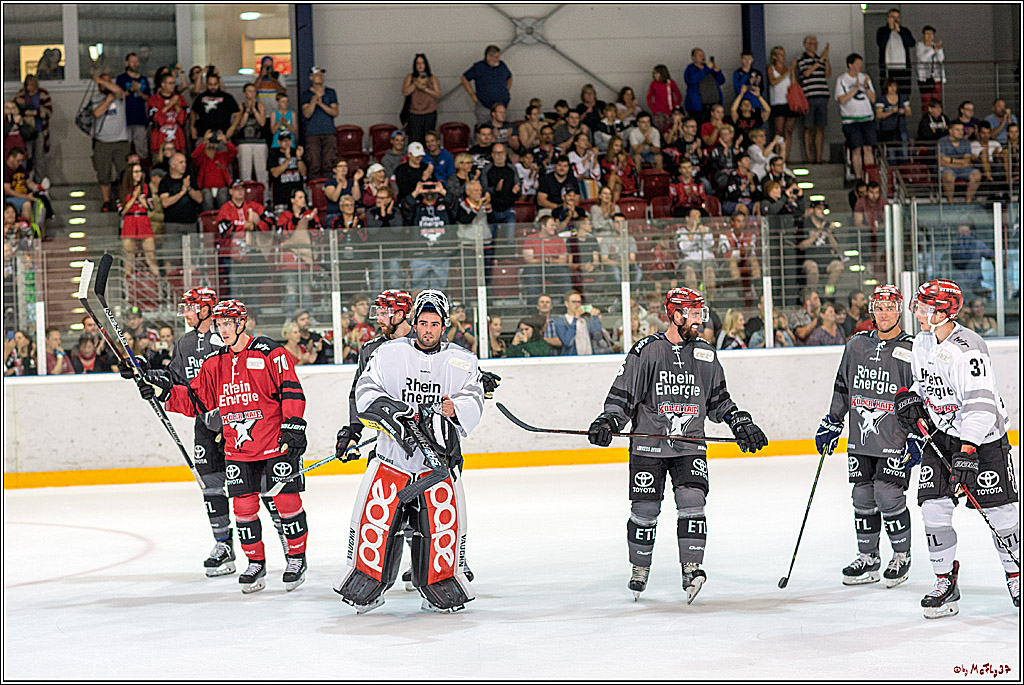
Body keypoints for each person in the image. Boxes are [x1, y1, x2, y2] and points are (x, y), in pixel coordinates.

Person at [588, 287, 768, 602]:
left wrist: (739, 421)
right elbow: (624, 395)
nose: (700, 319)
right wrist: (609, 421)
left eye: (701, 313)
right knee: (644, 509)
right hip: (649, 445)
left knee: (692, 501)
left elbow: (719, 401)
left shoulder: (706, 353)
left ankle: (692, 568)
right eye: (694, 313)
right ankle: (640, 568)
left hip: (689, 445)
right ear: (675, 314)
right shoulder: (647, 350)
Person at [138, 299, 310, 594]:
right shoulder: (215, 362)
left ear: (242, 323)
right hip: (238, 450)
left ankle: (296, 559)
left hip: (274, 445)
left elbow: (291, 389)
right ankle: (255, 562)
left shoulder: (270, 351)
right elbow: (195, 400)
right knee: (243, 509)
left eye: (229, 323)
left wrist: (293, 425)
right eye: (219, 324)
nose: (224, 328)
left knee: (287, 504)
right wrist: (163, 391)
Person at [339, 289, 483, 614]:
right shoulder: (389, 353)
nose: (428, 329)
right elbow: (365, 388)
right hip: (392, 462)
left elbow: (473, 397)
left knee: (439, 527)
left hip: (437, 466)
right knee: (376, 525)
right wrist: (390, 409)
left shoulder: (461, 360)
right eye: (423, 322)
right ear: (414, 323)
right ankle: (367, 581)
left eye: (434, 323)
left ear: (444, 325)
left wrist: (455, 407)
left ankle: (439, 582)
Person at [895, 279, 1019, 616]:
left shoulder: (969, 347)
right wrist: (912, 400)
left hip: (983, 440)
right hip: (941, 437)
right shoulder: (921, 343)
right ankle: (945, 581)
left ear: (943, 311)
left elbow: (981, 405)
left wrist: (967, 451)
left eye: (924, 307)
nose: (917, 313)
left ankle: (1016, 574)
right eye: (917, 306)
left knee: (1001, 512)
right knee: (933, 507)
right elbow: (924, 387)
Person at [816, 285, 916, 586]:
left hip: (895, 438)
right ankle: (869, 558)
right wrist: (833, 420)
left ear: (899, 310)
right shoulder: (856, 345)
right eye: (879, 307)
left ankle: (901, 556)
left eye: (890, 307)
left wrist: (917, 435)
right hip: (862, 438)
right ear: (872, 309)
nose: (884, 313)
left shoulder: (913, 349)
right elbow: (843, 386)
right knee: (862, 495)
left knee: (887, 495)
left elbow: (919, 396)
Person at [90, 71, 131, 212]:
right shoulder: (95, 98)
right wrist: (107, 101)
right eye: (103, 82)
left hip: (121, 140)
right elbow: (96, 113)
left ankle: (124, 198)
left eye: (109, 81)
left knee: (124, 172)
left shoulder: (119, 96)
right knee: (103, 173)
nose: (106, 85)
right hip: (103, 141)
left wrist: (101, 81)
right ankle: (106, 201)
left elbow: (119, 90)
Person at [836, 53, 876, 182]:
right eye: (857, 64)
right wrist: (855, 89)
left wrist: (867, 87)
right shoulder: (842, 79)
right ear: (850, 65)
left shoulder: (865, 78)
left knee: (868, 148)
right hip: (851, 120)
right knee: (856, 148)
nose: (860, 66)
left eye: (860, 64)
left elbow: (873, 99)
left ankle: (870, 177)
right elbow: (841, 99)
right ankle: (858, 178)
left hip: (867, 118)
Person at [117, 162, 159, 279]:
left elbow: (150, 207)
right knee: (129, 257)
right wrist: (134, 197)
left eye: (140, 171)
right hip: (129, 221)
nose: (139, 174)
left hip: (143, 220)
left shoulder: (146, 187)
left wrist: (140, 198)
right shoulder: (123, 189)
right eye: (136, 172)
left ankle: (159, 286)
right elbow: (122, 211)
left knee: (150, 255)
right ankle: (127, 288)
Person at [797, 36, 831, 164]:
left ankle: (818, 157)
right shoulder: (802, 59)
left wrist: (825, 60)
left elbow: (827, 74)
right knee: (807, 127)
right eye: (811, 43)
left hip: (822, 95)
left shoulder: (820, 59)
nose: (814, 45)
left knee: (820, 127)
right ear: (805, 45)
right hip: (808, 97)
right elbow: (806, 73)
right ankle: (808, 157)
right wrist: (820, 59)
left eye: (816, 43)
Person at [300, 66, 338, 178]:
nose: (320, 77)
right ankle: (314, 189)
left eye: (321, 75)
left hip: (328, 131)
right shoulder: (306, 95)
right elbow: (307, 113)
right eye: (317, 75)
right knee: (314, 164)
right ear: (311, 77)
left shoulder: (330, 92)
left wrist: (321, 104)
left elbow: (335, 112)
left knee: (329, 163)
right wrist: (314, 100)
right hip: (312, 133)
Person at [461, 45, 512, 126]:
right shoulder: (478, 67)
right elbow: (464, 78)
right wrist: (472, 95)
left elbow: (509, 77)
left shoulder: (502, 65)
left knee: (505, 129)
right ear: (488, 56)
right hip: (485, 106)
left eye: (498, 57)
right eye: (495, 57)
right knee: (485, 129)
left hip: (503, 106)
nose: (497, 60)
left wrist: (507, 90)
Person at [13, 74, 52, 179]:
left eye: (31, 85)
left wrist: (35, 112)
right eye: (27, 85)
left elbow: (49, 112)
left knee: (39, 157)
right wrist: (18, 103)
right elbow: (13, 111)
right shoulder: (22, 94)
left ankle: (39, 181)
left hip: (39, 129)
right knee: (27, 156)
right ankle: (27, 180)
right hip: (26, 131)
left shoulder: (43, 94)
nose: (29, 87)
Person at [232, 83, 269, 192]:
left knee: (261, 172)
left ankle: (264, 198)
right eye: (249, 91)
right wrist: (247, 111)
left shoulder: (260, 105)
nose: (252, 94)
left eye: (254, 91)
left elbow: (262, 123)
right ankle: (246, 197)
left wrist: (254, 110)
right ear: (244, 93)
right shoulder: (240, 106)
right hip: (244, 142)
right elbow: (240, 125)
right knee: (245, 172)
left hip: (259, 142)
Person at [766, 46, 798, 164]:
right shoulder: (771, 68)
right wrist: (785, 74)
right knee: (778, 131)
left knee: (788, 131)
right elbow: (773, 82)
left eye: (784, 54)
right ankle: (778, 156)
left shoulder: (788, 69)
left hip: (789, 102)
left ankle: (787, 157)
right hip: (777, 102)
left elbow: (793, 84)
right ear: (774, 56)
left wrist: (792, 71)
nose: (783, 57)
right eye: (780, 55)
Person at [116, 53, 152, 160]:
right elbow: (119, 96)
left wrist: (139, 92)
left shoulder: (143, 79)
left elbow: (148, 98)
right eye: (132, 61)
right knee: (126, 148)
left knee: (142, 148)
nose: (135, 64)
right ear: (127, 63)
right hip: (125, 119)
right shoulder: (121, 78)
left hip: (140, 119)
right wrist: (131, 89)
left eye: (136, 61)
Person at [192, 129, 237, 212]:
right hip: (206, 188)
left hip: (222, 188)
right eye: (210, 142)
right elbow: (194, 156)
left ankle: (224, 218)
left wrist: (225, 142)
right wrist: (204, 142)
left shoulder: (222, 156)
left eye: (214, 142)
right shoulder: (202, 158)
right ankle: (209, 221)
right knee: (207, 197)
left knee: (223, 195)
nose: (212, 144)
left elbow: (234, 152)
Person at [875, 8, 915, 99]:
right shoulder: (882, 30)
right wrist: (889, 28)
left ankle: (902, 111)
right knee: (888, 92)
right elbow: (881, 43)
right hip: (888, 68)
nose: (895, 20)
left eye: (897, 18)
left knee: (903, 93)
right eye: (893, 17)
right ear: (888, 18)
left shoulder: (904, 30)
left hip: (903, 68)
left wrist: (900, 31)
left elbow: (911, 43)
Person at [938, 122, 981, 204]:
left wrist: (950, 160)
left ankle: (968, 202)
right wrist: (961, 163)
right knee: (948, 176)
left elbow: (967, 160)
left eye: (962, 130)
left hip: (962, 169)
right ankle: (951, 203)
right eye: (957, 130)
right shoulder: (942, 141)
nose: (961, 132)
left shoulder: (966, 141)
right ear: (950, 131)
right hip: (948, 169)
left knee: (977, 175)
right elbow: (942, 161)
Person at [551, 289, 605, 356]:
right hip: (572, 359)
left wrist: (595, 318)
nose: (577, 305)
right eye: (574, 302)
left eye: (579, 302)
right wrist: (575, 319)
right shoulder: (561, 320)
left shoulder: (585, 320)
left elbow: (597, 337)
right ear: (566, 304)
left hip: (588, 357)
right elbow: (567, 342)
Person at [402, 54, 441, 144]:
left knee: (428, 139)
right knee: (415, 140)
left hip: (429, 113)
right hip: (414, 113)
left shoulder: (432, 78)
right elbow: (405, 92)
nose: (420, 65)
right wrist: (416, 83)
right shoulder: (410, 77)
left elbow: (438, 94)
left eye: (422, 63)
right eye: (418, 63)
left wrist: (425, 89)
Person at [189, 70, 239, 141]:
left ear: (218, 84)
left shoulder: (227, 97)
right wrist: (192, 126)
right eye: (210, 84)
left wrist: (232, 128)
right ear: (206, 84)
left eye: (215, 84)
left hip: (223, 135)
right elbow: (193, 111)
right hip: (203, 134)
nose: (213, 87)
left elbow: (237, 113)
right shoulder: (201, 97)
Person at [147, 72, 188, 158]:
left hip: (177, 142)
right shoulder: (153, 100)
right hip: (159, 143)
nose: (173, 85)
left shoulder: (180, 98)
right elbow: (155, 120)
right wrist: (169, 104)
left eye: (174, 83)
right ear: (163, 84)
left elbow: (182, 120)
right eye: (170, 83)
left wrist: (177, 106)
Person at [684, 48, 725, 125]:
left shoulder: (709, 68)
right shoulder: (690, 69)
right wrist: (706, 69)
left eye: (703, 55)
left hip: (714, 104)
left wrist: (718, 72)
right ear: (693, 58)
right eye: (700, 55)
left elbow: (722, 81)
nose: (703, 57)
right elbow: (691, 80)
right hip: (699, 107)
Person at [267, 131, 306, 211]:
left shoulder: (296, 152)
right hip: (281, 199)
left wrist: (299, 158)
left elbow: (303, 172)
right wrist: (287, 160)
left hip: (297, 199)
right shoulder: (274, 154)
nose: (286, 143)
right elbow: (275, 174)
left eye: (288, 140)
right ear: (279, 142)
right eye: (284, 141)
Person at [875, 79, 911, 164]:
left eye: (894, 86)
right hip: (888, 130)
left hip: (901, 129)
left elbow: (909, 112)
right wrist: (891, 112)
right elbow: (879, 115)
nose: (893, 88)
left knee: (904, 153)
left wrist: (903, 111)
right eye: (890, 86)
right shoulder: (881, 99)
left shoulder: (902, 97)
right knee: (891, 154)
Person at [915, 26, 945, 110]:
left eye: (931, 34)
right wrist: (933, 49)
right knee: (926, 101)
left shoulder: (935, 46)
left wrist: (938, 50)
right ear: (923, 35)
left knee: (937, 101)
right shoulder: (919, 46)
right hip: (924, 78)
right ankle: (927, 120)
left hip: (936, 78)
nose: (929, 36)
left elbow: (941, 59)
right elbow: (923, 58)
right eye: (927, 34)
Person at [646, 65, 682, 133]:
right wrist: (654, 110)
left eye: (656, 73)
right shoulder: (654, 84)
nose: (655, 75)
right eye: (654, 73)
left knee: (671, 130)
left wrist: (675, 107)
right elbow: (649, 98)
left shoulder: (670, 82)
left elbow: (678, 95)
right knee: (660, 131)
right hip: (658, 113)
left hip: (670, 112)